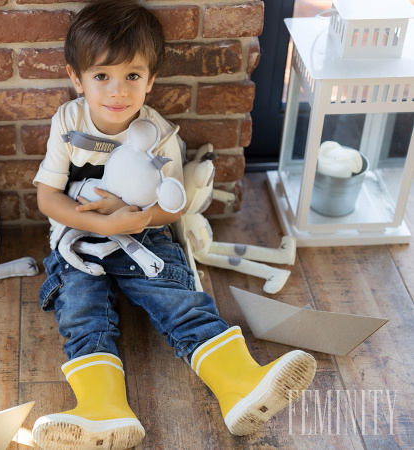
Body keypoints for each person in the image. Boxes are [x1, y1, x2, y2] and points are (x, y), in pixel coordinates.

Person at [31, 1, 317, 449]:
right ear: (76, 78)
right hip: (79, 241)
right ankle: (103, 410)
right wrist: (104, 227)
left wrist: (136, 218)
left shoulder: (160, 133)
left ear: (151, 80)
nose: (117, 91)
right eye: (101, 76)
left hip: (143, 234)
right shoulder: (68, 122)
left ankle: (240, 385)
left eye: (132, 76)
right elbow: (47, 197)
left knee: (176, 297)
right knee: (81, 309)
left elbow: (172, 206)